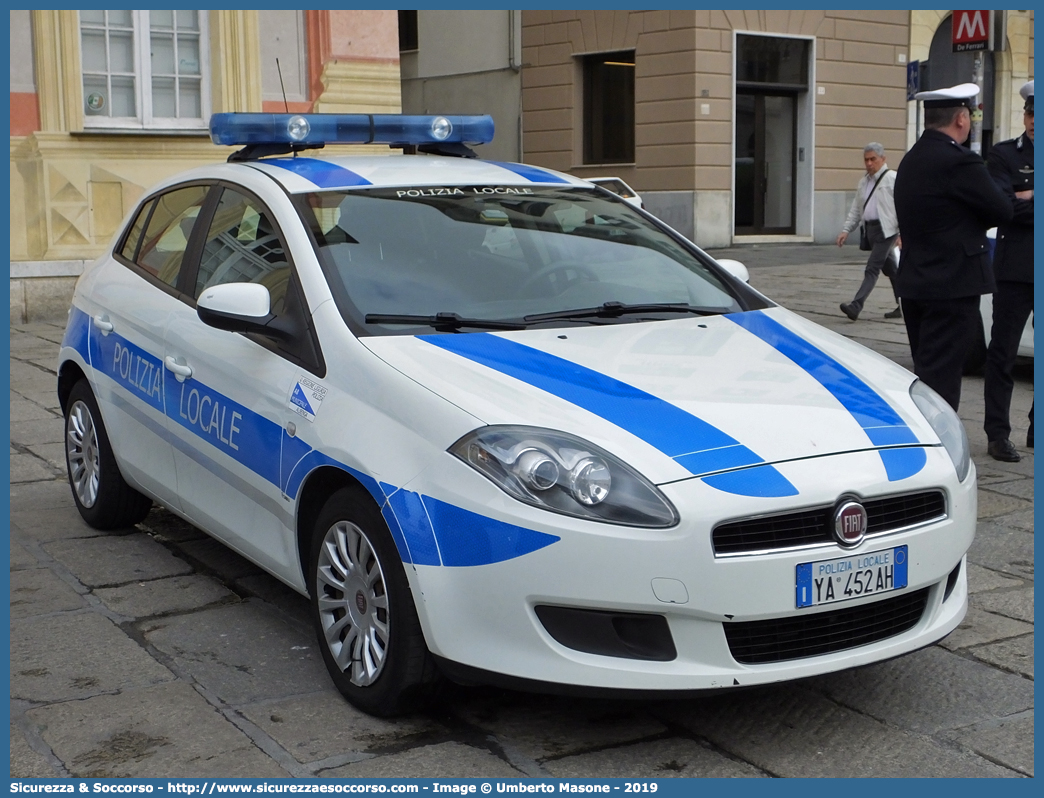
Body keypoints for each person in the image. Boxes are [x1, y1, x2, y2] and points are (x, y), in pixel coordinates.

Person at [892, 83, 1013, 412]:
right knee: (943, 382)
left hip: (916, 284)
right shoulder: (960, 162)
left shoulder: (911, 160)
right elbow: (1001, 209)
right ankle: (941, 450)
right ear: (961, 119)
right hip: (952, 286)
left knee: (927, 372)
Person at [983, 80, 1034, 462]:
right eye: (1031, 113)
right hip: (1015, 270)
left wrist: (1028, 195)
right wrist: (1017, 201)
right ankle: (998, 433)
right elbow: (1002, 207)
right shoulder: (1004, 155)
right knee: (1002, 354)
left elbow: (1019, 205)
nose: (1034, 121)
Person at [837, 143, 902, 321]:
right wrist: (846, 230)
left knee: (872, 268)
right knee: (891, 270)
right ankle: (904, 303)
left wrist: (902, 232)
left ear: (883, 159)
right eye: (866, 160)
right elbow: (856, 210)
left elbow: (903, 206)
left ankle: (856, 306)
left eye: (873, 159)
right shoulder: (863, 182)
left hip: (887, 230)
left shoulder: (892, 179)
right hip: (871, 230)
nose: (869, 163)